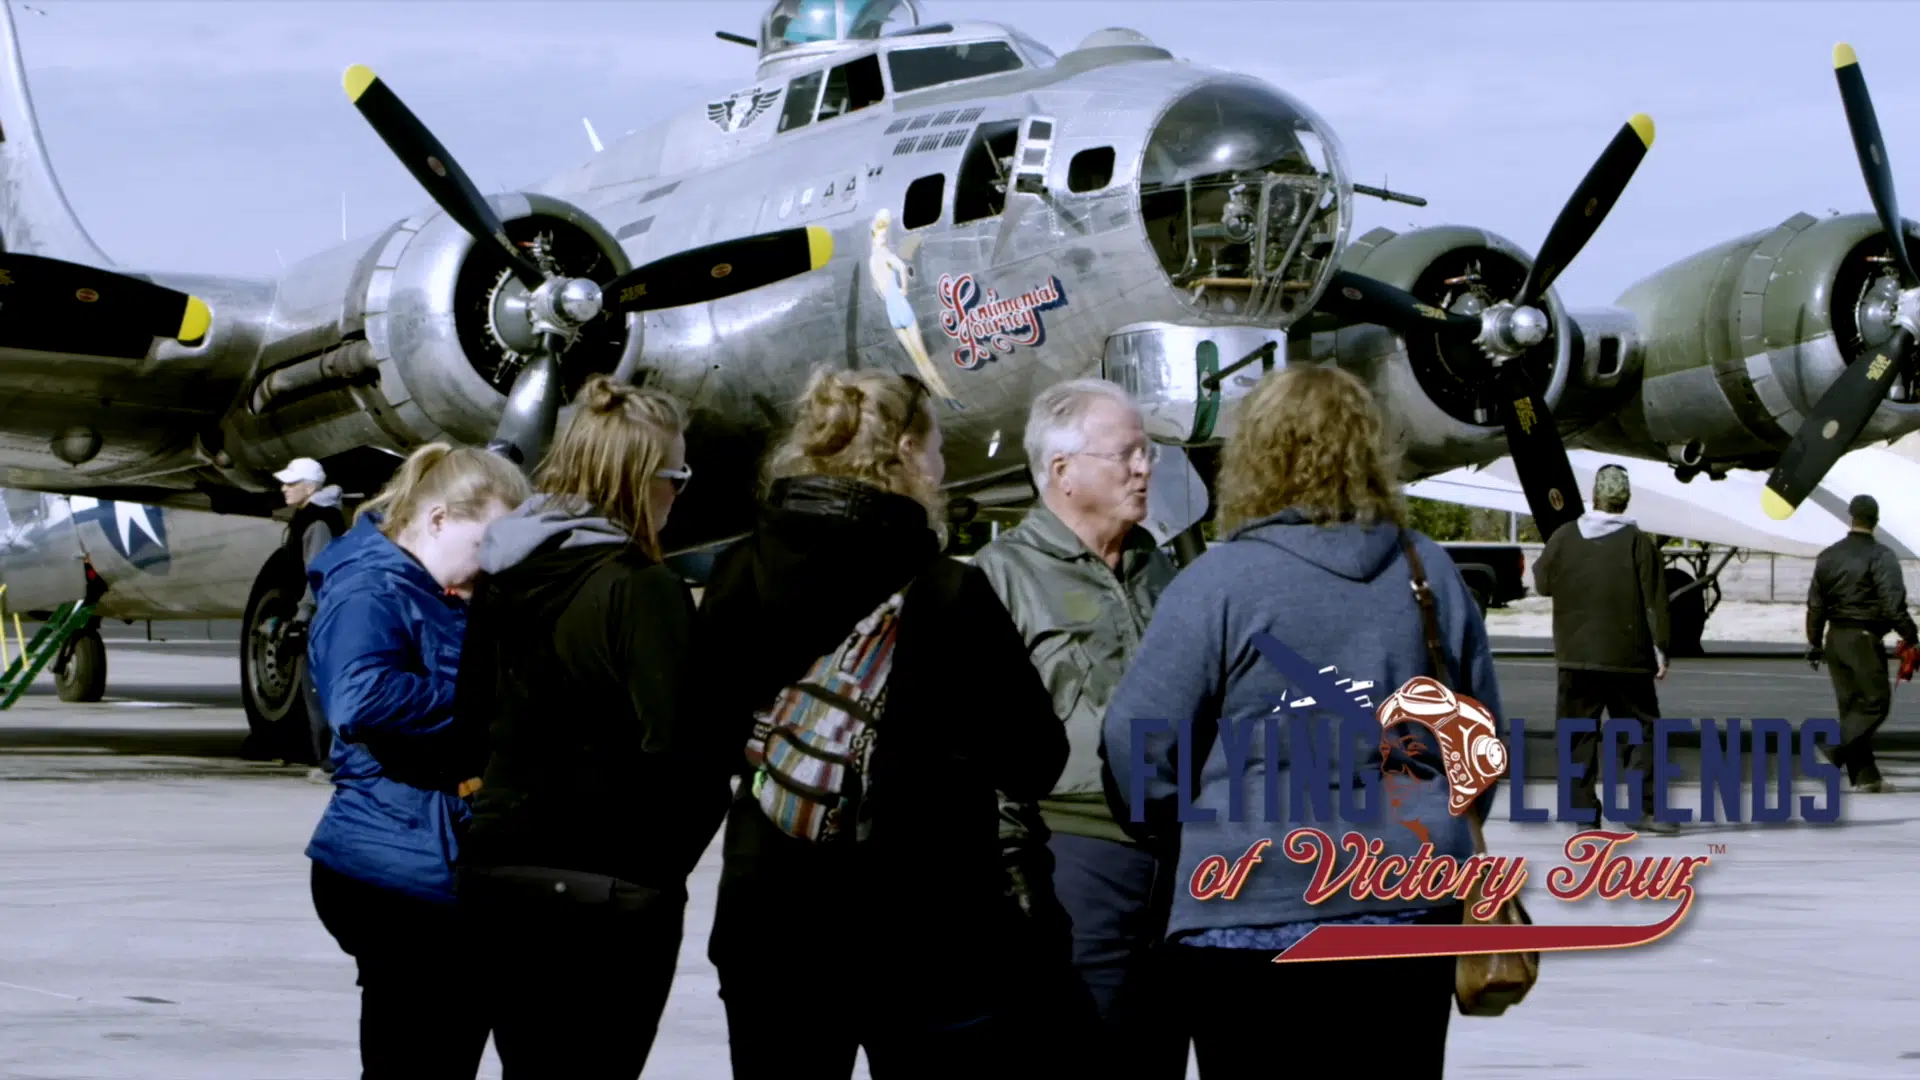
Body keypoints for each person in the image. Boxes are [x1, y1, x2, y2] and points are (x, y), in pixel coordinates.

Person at [1102, 365, 1498, 1080]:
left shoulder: (1218, 584)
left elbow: (1138, 740)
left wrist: (1175, 821)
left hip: (1247, 899)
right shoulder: (1427, 572)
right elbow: (1478, 740)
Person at [701, 367, 1070, 1079]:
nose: (940, 466)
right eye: (934, 449)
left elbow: (703, 731)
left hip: (771, 915)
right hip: (924, 926)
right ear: (904, 451)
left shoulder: (740, 571)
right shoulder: (950, 590)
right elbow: (1035, 758)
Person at [449, 376, 718, 1077]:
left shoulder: (504, 573)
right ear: (637, 478)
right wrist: (658, 874)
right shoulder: (640, 589)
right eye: (676, 474)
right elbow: (684, 752)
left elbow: (472, 719)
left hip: (500, 870)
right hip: (609, 885)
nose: (679, 493)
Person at [972, 378, 1183, 1076]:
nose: (1143, 467)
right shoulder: (1001, 578)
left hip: (1176, 862)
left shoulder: (1163, 568)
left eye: (1146, 452)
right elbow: (981, 746)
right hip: (1071, 856)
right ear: (1061, 471)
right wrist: (1014, 881)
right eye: (1124, 453)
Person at [303, 442, 530, 1080]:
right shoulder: (371, 587)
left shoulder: (430, 587)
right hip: (396, 872)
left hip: (431, 859)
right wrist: (496, 708)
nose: (491, 564)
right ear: (435, 519)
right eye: (485, 542)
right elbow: (361, 697)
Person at [1531, 463, 1675, 832]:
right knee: (1642, 733)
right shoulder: (1639, 544)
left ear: (1592, 497)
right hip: (1629, 658)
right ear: (1625, 501)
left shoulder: (1564, 537)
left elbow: (1543, 582)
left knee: (1577, 733)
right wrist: (1661, 649)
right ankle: (1646, 810)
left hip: (1576, 655)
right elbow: (1655, 600)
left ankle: (1582, 813)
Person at [1807, 493, 1917, 793]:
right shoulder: (1881, 556)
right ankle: (1832, 751)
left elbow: (1815, 604)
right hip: (1864, 637)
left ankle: (1866, 777)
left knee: (1852, 707)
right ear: (1876, 520)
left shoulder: (1828, 555)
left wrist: (1814, 642)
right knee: (1874, 704)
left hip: (1834, 638)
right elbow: (1893, 604)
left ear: (1850, 516)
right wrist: (1911, 634)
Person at [274, 456, 347, 778]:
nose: (284, 488)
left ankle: (331, 763)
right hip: (316, 616)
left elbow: (317, 575)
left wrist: (303, 616)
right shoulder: (310, 517)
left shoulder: (317, 522)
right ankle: (326, 758)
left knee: (317, 691)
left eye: (291, 483)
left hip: (319, 620)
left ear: (310, 487)